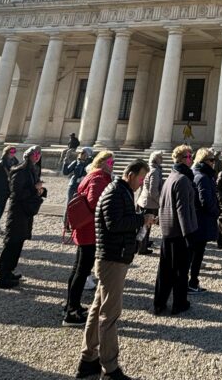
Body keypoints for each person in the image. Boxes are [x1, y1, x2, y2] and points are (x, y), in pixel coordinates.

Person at [76, 159, 152, 380]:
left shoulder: (121, 191)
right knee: (110, 315)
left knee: (97, 309)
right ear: (130, 174)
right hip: (113, 259)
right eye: (141, 178)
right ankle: (110, 369)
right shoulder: (115, 192)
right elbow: (114, 224)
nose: (142, 182)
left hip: (113, 257)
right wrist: (141, 219)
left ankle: (88, 360)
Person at [63, 150, 114, 326]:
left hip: (86, 230)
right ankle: (72, 313)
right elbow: (95, 202)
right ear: (101, 164)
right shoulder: (99, 179)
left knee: (78, 269)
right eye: (109, 163)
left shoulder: (93, 176)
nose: (112, 166)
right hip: (90, 231)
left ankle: (71, 304)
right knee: (82, 270)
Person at [154, 144, 198, 315]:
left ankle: (159, 303)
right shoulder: (183, 180)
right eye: (188, 156)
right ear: (180, 159)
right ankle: (179, 303)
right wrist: (189, 235)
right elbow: (183, 210)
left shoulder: (170, 177)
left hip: (168, 231)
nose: (191, 159)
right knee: (181, 270)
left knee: (165, 270)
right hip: (180, 233)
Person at [0, 144, 46, 288]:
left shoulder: (32, 170)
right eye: (34, 154)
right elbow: (16, 194)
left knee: (18, 243)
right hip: (17, 212)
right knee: (11, 244)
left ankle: (9, 272)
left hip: (25, 212)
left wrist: (40, 190)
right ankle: (2, 277)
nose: (37, 157)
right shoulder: (20, 170)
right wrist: (34, 189)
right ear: (28, 156)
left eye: (39, 154)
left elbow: (29, 189)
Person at [189, 148, 219, 293]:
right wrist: (216, 211)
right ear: (204, 161)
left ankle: (189, 281)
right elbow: (205, 201)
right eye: (212, 160)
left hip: (196, 220)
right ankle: (192, 282)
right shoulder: (202, 177)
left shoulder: (195, 174)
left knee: (193, 252)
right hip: (201, 221)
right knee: (197, 254)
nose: (214, 163)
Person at [136, 150, 164, 254]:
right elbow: (153, 191)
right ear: (157, 160)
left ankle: (142, 245)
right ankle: (142, 248)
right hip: (149, 203)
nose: (162, 160)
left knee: (145, 226)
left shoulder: (150, 169)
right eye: (161, 158)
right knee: (146, 227)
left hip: (145, 201)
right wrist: (160, 201)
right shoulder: (155, 172)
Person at [0, 146, 18, 233]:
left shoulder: (15, 163)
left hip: (5, 190)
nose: (13, 153)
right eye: (11, 152)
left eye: (14, 152)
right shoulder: (0, 164)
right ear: (6, 153)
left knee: (0, 209)